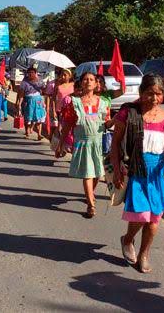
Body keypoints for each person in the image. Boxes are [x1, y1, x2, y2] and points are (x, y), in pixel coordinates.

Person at [110, 74, 164, 273]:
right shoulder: (128, 113)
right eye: (150, 93)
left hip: (159, 172)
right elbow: (115, 143)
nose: (154, 98)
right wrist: (116, 169)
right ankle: (128, 239)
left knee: (154, 218)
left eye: (158, 94)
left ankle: (144, 254)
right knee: (141, 215)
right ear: (141, 93)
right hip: (136, 170)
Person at [57, 72, 114, 218]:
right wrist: (60, 144)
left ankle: (90, 194)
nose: (88, 81)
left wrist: (117, 121)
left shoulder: (103, 103)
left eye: (91, 79)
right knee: (88, 173)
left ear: (96, 84)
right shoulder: (74, 103)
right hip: (83, 143)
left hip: (99, 143)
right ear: (81, 83)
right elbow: (68, 124)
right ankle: (91, 204)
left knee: (96, 173)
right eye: (85, 79)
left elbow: (107, 122)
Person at [16, 67, 46, 140]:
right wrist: (19, 103)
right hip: (28, 101)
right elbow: (21, 94)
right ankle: (27, 131)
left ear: (35, 73)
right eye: (29, 73)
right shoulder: (24, 82)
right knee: (28, 118)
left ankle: (39, 134)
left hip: (38, 101)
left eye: (32, 72)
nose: (31, 74)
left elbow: (44, 91)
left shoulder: (40, 81)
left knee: (39, 118)